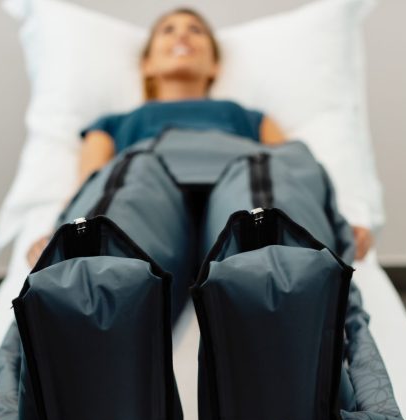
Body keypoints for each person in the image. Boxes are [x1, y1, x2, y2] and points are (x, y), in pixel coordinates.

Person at [27, 7, 373, 266]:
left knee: (265, 218)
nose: (182, 36)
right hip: (150, 192)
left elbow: (289, 175)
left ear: (215, 66)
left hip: (237, 186)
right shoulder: (113, 123)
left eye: (196, 30)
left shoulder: (247, 117)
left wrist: (336, 225)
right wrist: (59, 237)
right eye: (168, 30)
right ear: (146, 63)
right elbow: (92, 187)